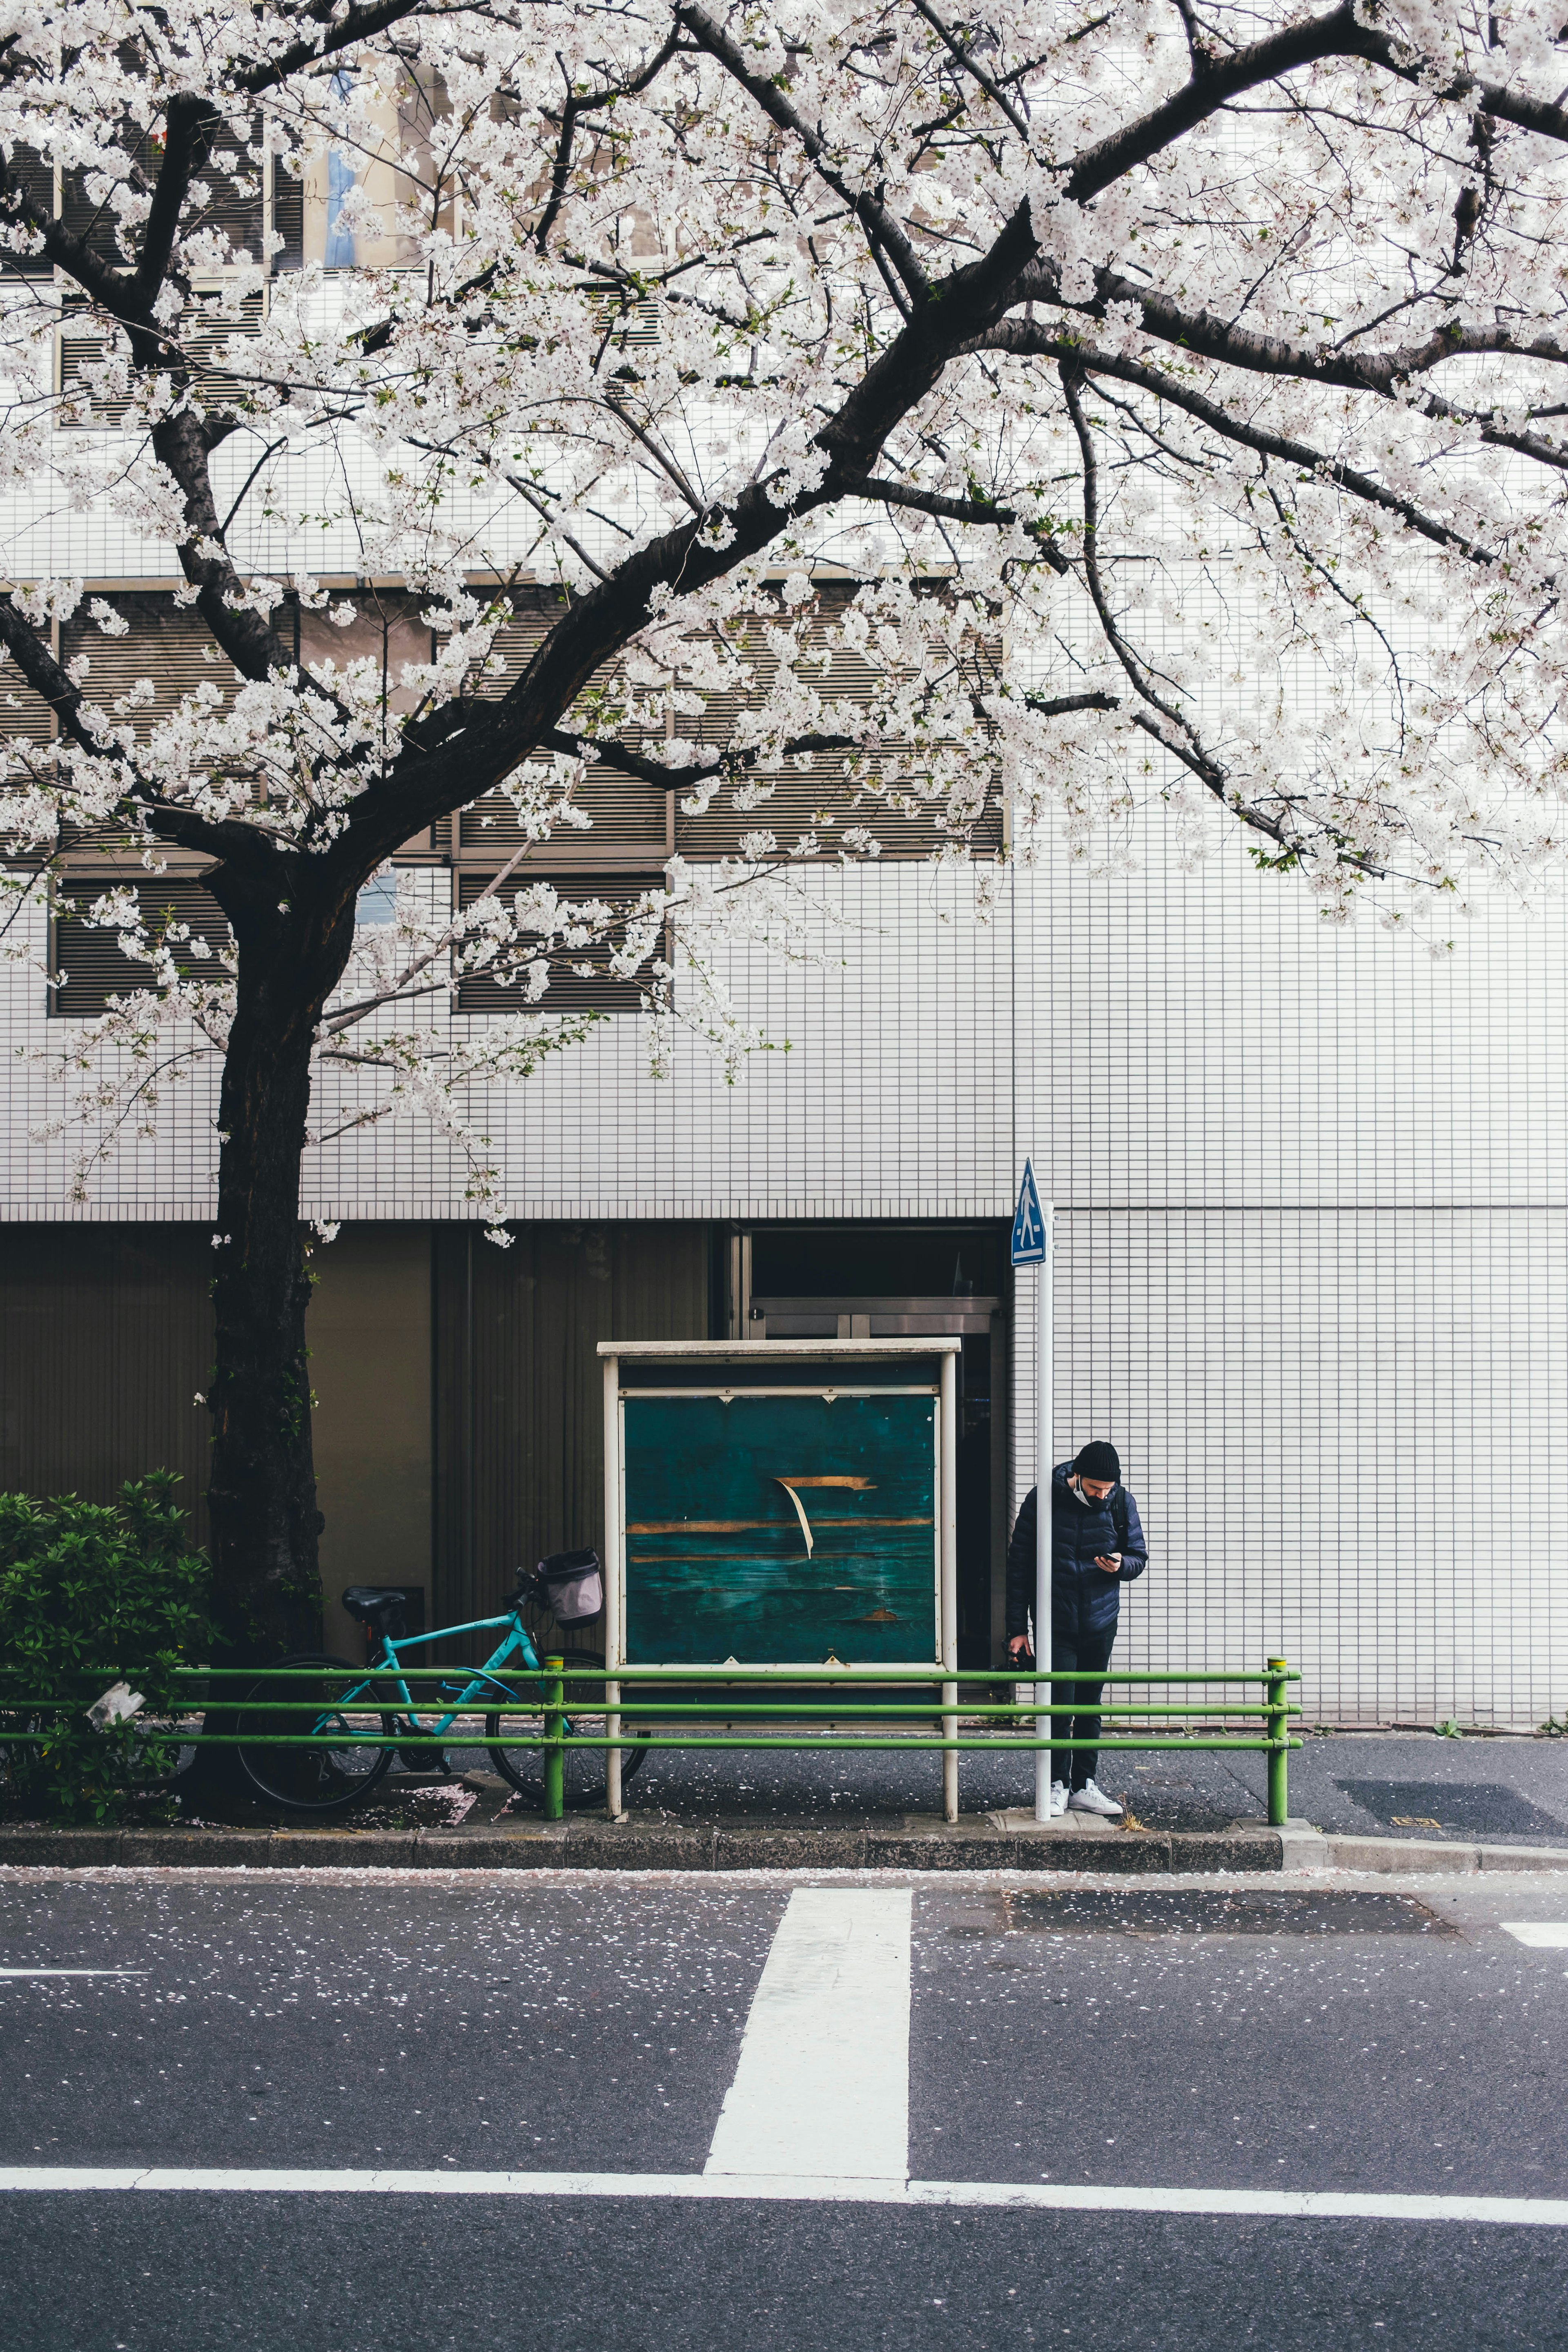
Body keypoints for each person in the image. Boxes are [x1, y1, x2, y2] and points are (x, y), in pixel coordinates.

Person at [1005, 1441, 1148, 1819]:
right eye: (1095, 1489)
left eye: (1108, 1490)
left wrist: (1120, 1565)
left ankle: (1085, 1785)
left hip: (1102, 1619)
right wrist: (1017, 1629)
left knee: (1089, 1705)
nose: (1102, 1496)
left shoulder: (1121, 1502)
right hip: (1055, 1620)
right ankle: (1057, 1784)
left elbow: (1138, 1556)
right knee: (1058, 1706)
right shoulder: (1044, 1498)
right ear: (1077, 1477)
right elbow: (1019, 1566)